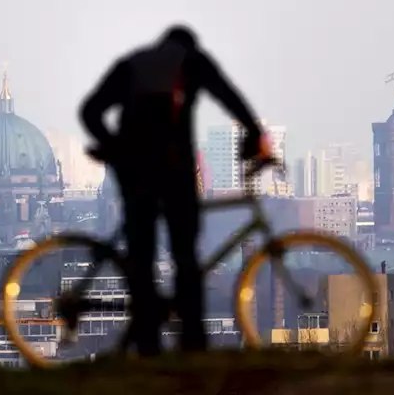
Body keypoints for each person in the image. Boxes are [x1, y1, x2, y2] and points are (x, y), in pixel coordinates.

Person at [79, 24, 272, 357]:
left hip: (134, 171)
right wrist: (255, 134)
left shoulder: (132, 63)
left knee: (142, 258)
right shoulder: (193, 61)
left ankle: (148, 346)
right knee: (185, 257)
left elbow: (89, 111)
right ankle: (193, 346)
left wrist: (114, 148)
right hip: (174, 170)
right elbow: (230, 97)